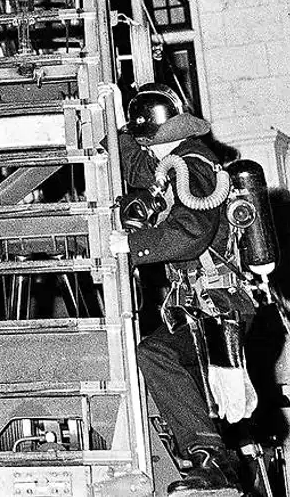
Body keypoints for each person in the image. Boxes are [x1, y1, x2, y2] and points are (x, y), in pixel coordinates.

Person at [106, 84, 253, 492]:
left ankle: (212, 459)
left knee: (159, 357)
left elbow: (191, 230)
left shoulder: (194, 165)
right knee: (163, 361)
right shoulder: (177, 160)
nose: (147, 153)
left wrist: (131, 245)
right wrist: (114, 120)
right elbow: (136, 167)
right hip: (199, 307)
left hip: (219, 306)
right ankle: (213, 458)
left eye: (148, 143)